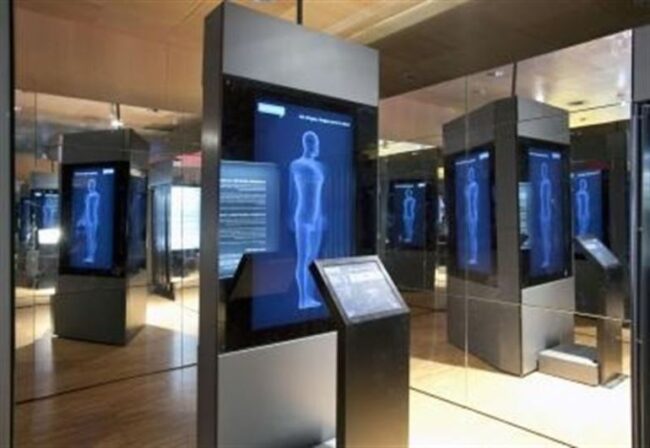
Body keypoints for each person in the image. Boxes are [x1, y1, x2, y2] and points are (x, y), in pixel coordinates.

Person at [290, 131, 325, 310]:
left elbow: (318, 196)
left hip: (315, 218)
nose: (317, 146)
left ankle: (308, 297)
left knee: (312, 259)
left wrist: (320, 217)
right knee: (303, 258)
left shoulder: (318, 166)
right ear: (308, 144)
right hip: (303, 217)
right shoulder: (297, 164)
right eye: (314, 142)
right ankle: (302, 299)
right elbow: (292, 194)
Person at [79, 178, 100, 264]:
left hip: (92, 219)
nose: (90, 186)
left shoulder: (95, 195)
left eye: (92, 184)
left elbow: (92, 209)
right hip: (88, 219)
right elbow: (86, 208)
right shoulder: (88, 195)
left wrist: (91, 221)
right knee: (88, 238)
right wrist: (83, 219)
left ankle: (92, 256)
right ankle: (89, 255)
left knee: (92, 238)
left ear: (94, 185)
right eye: (89, 184)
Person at [465, 166, 479, 265]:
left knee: (473, 235)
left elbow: (474, 201)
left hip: (472, 213)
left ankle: (474, 257)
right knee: (470, 235)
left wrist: (473, 214)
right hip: (469, 213)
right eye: (468, 173)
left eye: (471, 173)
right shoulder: (468, 186)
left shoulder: (474, 185)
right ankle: (471, 256)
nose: (469, 175)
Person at [540, 162, 552, 269]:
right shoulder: (543, 183)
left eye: (544, 169)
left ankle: (547, 259)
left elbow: (547, 199)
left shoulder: (546, 183)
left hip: (546, 212)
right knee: (544, 236)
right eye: (542, 169)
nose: (543, 171)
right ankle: (546, 258)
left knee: (546, 236)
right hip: (543, 212)